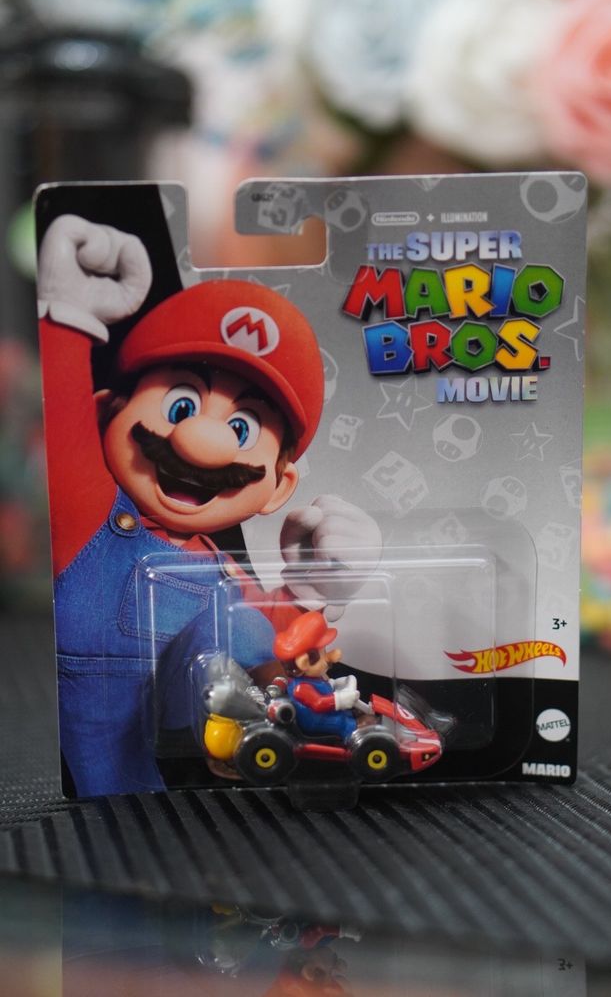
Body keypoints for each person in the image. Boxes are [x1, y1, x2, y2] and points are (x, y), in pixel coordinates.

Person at [37, 214, 380, 796]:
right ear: (106, 413)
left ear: (279, 487)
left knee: (239, 621)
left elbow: (277, 639)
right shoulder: (89, 518)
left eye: (242, 426)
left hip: (193, 727)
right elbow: (62, 423)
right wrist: (68, 316)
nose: (204, 442)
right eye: (182, 405)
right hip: (105, 726)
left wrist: (320, 585)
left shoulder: (226, 572)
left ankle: (249, 730)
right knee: (121, 821)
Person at [273, 611, 360, 742]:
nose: (328, 657)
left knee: (348, 713)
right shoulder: (301, 688)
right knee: (342, 722)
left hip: (323, 715)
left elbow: (322, 687)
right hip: (315, 721)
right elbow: (318, 703)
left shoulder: (311, 679)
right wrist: (341, 699)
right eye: (322, 654)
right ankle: (355, 739)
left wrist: (333, 684)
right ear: (304, 663)